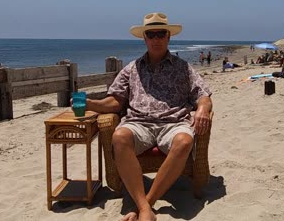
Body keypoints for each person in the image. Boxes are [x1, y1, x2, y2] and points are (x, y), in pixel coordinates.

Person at [75, 12, 212, 221]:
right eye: (151, 34)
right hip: (139, 122)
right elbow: (115, 101)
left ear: (168, 37)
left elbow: (203, 95)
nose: (156, 39)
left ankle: (145, 206)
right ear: (144, 38)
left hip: (173, 123)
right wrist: (90, 104)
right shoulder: (131, 69)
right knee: (119, 137)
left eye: (161, 34)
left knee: (184, 141)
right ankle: (145, 208)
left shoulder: (184, 68)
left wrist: (203, 109)